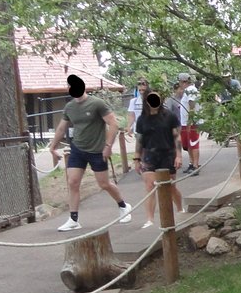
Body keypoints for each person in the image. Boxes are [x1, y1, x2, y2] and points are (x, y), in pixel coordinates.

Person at [47, 74, 132, 232]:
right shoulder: (70, 107)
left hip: (97, 150)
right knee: (73, 182)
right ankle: (73, 219)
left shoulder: (97, 104)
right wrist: (53, 147)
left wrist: (108, 146)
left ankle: (123, 206)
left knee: (104, 184)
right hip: (78, 149)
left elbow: (113, 124)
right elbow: (61, 128)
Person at [133, 91, 184, 228]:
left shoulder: (169, 116)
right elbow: (139, 140)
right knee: (150, 186)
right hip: (149, 155)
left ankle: (180, 209)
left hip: (167, 154)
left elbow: (177, 137)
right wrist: (137, 158)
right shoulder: (142, 119)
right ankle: (150, 219)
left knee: (170, 187)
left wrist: (178, 155)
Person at [174, 72, 201, 174]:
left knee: (193, 143)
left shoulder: (191, 90)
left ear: (183, 81)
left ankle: (195, 165)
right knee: (188, 144)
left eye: (180, 82)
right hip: (185, 122)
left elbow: (191, 105)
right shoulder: (187, 91)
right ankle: (191, 163)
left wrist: (190, 120)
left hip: (191, 122)